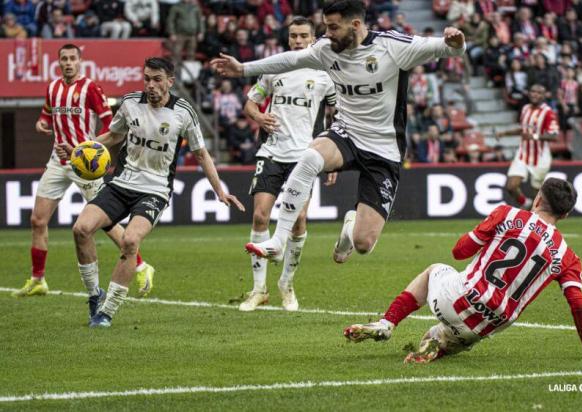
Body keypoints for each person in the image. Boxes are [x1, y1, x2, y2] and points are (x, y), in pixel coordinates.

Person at [211, 0, 465, 264]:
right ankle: (279, 239)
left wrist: (455, 40)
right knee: (310, 157)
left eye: (333, 27)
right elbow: (291, 59)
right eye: (326, 27)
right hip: (348, 132)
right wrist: (243, 68)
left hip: (384, 148)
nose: (328, 33)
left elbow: (447, 48)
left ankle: (349, 229)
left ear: (355, 25)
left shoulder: (392, 46)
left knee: (363, 243)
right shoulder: (327, 49)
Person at [344, 178, 582, 364]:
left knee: (435, 269)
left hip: (459, 298)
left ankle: (386, 323)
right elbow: (578, 305)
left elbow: (459, 252)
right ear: (565, 215)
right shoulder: (567, 256)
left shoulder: (508, 214)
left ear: (538, 197)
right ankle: (435, 345)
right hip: (488, 325)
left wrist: (479, 235)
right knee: (441, 334)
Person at [61, 57, 245, 328]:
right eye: (147, 78)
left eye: (157, 79)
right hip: (121, 183)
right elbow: (112, 137)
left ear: (170, 81)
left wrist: (219, 190)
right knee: (81, 229)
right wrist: (80, 149)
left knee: (130, 241)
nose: (151, 85)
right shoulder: (130, 103)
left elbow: (201, 154)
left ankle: (107, 312)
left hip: (155, 191)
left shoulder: (183, 112)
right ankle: (93, 295)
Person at [13, 44, 155, 299]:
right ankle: (38, 279)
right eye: (64, 59)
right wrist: (40, 123)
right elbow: (46, 115)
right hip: (57, 160)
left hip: (85, 163)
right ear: (59, 63)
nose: (68, 63)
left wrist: (102, 156)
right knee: (38, 220)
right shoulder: (53, 88)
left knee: (107, 222)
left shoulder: (90, 88)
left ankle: (142, 265)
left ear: (80, 62)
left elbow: (108, 123)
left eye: (72, 59)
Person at [239, 16, 337, 312]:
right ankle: (258, 290)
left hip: (304, 157)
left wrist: (332, 158)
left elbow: (340, 114)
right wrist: (258, 116)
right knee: (259, 217)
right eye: (293, 36)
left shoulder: (324, 73)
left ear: (312, 38)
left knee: (299, 221)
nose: (297, 41)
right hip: (271, 152)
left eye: (302, 36)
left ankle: (287, 284)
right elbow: (250, 103)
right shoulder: (274, 69)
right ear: (288, 38)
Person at [496, 83, 559, 209]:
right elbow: (524, 129)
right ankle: (526, 204)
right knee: (511, 186)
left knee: (536, 190)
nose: (535, 94)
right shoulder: (525, 108)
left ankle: (537, 217)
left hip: (540, 156)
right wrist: (505, 133)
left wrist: (534, 136)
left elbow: (554, 136)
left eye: (538, 92)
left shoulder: (548, 113)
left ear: (543, 96)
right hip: (523, 154)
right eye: (533, 91)